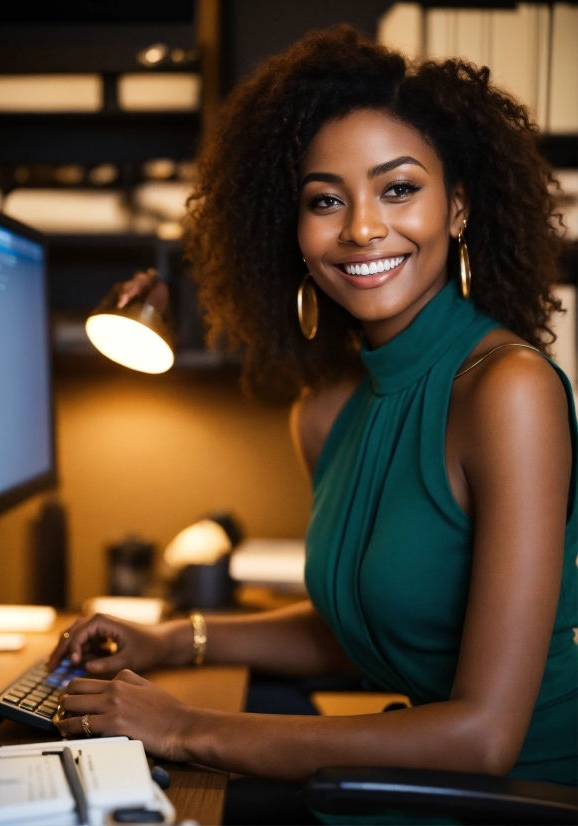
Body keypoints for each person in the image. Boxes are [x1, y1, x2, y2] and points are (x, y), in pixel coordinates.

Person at [49, 25, 577, 824]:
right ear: (292, 230)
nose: (362, 229)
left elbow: (482, 738)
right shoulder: (328, 411)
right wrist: (177, 640)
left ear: (459, 206)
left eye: (399, 189)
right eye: (325, 200)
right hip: (410, 773)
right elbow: (360, 626)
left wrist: (187, 726)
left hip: (506, 797)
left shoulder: (508, 392)